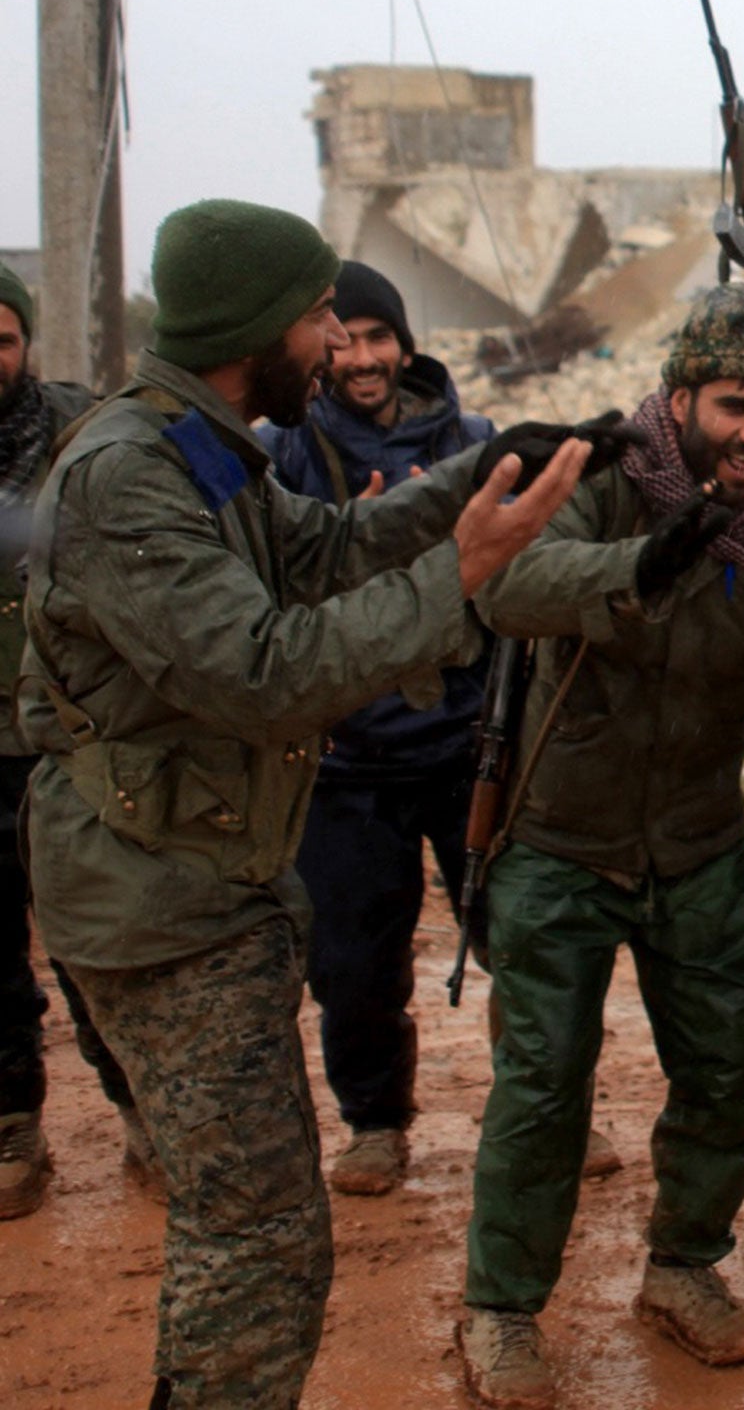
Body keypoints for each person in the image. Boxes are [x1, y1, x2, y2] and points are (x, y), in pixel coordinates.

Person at [22, 198, 622, 1409]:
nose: (330, 343)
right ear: (253, 326)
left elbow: (321, 548)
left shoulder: (198, 444)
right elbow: (263, 674)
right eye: (311, 319)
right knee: (255, 1243)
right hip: (158, 904)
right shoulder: (127, 476)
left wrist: (484, 468)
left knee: (256, 1227)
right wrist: (464, 574)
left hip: (204, 881)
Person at [455, 283, 744, 1409]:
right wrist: (636, 569)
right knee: (543, 1086)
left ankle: (682, 1267)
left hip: (698, 839)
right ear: (680, 394)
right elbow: (507, 585)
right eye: (732, 404)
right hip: (560, 838)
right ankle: (501, 1309)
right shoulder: (600, 473)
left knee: (730, 1067)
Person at [256, 259, 504, 1195]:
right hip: (346, 762)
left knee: (516, 941)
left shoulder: (473, 441)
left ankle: (537, 1103)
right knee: (353, 964)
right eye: (346, 338)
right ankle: (375, 1123)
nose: (362, 358)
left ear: (405, 343)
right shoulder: (283, 456)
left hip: (466, 742)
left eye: (379, 337)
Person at [0, 261, 161, 1217]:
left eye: (5, 338)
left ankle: (141, 1111)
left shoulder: (81, 433)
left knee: (90, 941)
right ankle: (15, 1126)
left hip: (67, 735)